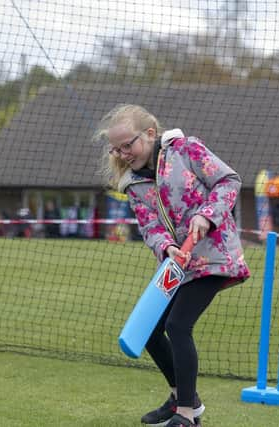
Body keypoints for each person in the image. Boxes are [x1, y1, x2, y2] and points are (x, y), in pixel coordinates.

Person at [95, 104, 250, 427]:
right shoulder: (133, 184)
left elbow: (228, 181)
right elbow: (150, 227)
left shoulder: (186, 150)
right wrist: (166, 246)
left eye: (129, 144)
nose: (124, 153)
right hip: (176, 265)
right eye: (117, 148)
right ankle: (182, 397)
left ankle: (187, 416)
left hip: (213, 257)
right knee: (150, 330)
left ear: (150, 134)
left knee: (178, 326)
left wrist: (206, 215)